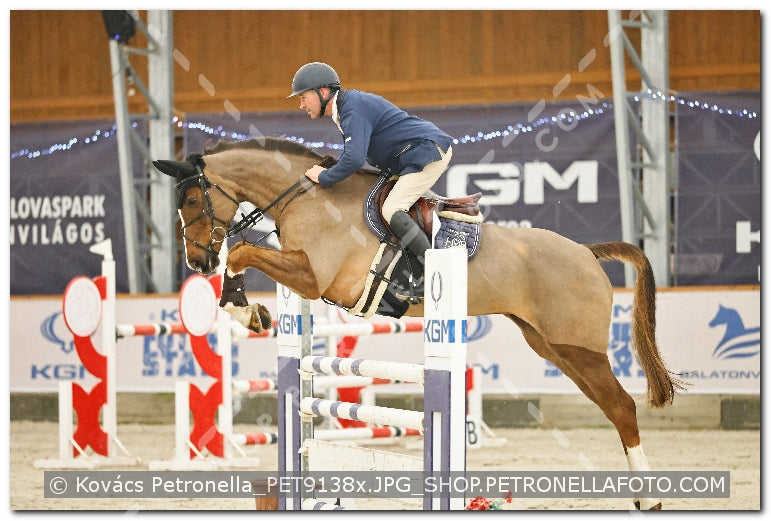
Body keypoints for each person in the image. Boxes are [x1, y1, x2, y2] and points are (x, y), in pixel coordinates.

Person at [288, 62, 454, 296]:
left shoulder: (351, 109)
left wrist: (324, 177)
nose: (301, 105)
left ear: (322, 92)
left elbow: (354, 159)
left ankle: (433, 272)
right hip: (408, 156)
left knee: (391, 209)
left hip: (426, 153)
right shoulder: (345, 107)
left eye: (304, 97)